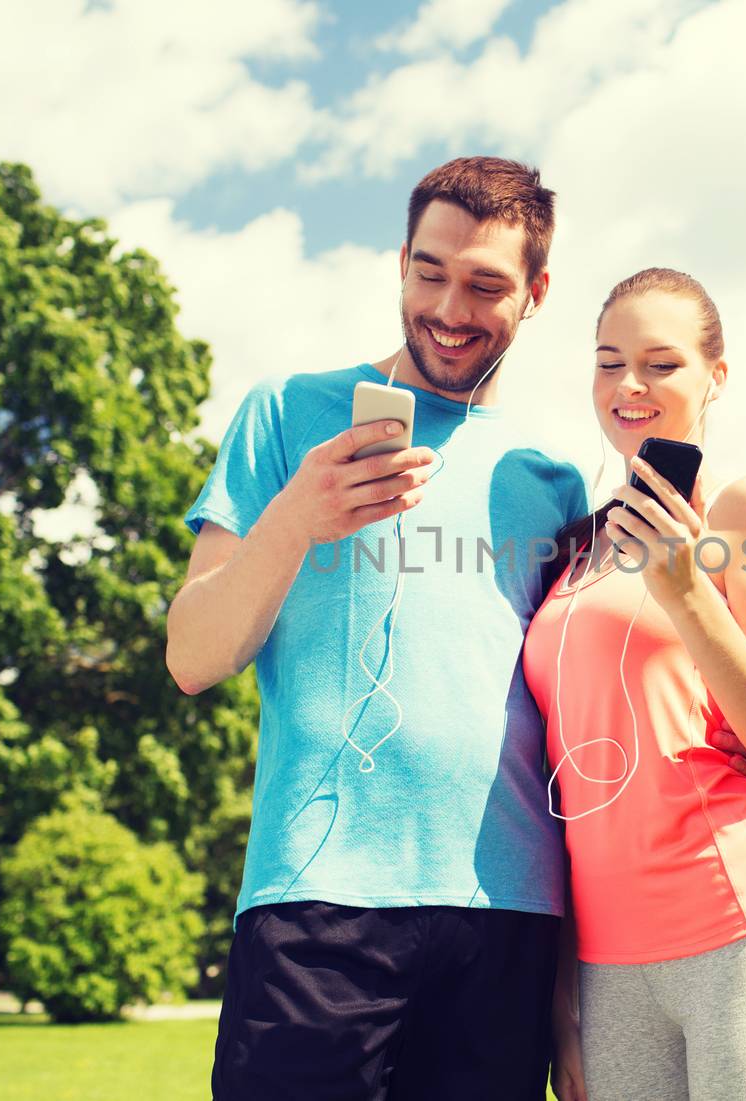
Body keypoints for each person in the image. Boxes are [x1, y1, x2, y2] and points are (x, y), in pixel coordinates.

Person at [168, 156, 588, 1100]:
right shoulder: (285, 413)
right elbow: (193, 656)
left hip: (508, 911)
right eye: (430, 271)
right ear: (401, 261)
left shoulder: (551, 476)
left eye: (486, 285)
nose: (449, 306)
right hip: (319, 900)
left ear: (536, 292)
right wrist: (297, 517)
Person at [524, 268, 746, 1101]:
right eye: (608, 361)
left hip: (743, 934)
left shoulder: (743, 512)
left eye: (661, 363)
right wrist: (563, 1001)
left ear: (716, 376)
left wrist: (688, 586)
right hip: (605, 967)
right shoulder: (576, 549)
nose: (629, 385)